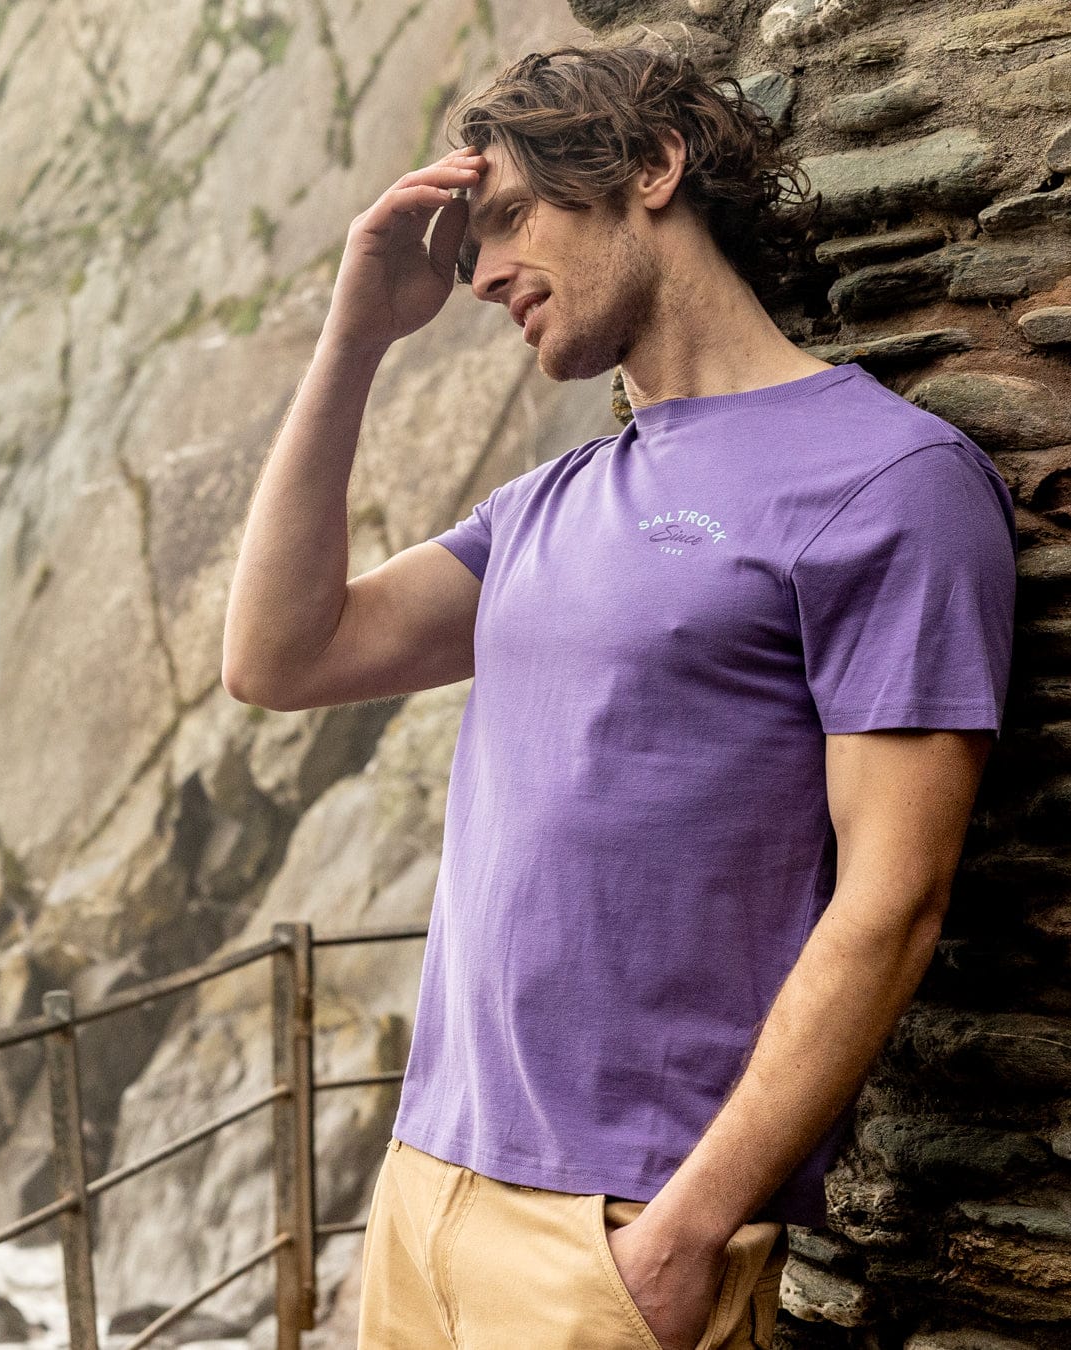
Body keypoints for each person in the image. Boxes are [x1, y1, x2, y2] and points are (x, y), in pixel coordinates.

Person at [222, 38, 1017, 1350]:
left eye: (507, 219)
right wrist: (353, 338)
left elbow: (894, 898)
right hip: (424, 1192)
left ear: (652, 165)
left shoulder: (890, 483)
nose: (481, 275)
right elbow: (280, 657)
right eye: (468, 249)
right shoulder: (544, 504)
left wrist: (684, 1232)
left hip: (618, 1232)